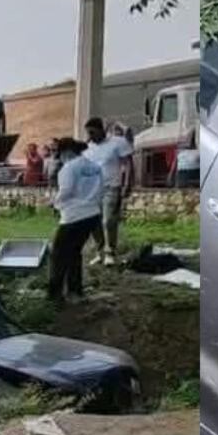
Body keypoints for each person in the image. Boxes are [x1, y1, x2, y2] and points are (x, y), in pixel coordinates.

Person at [48, 138, 104, 303]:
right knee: (74, 253)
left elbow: (66, 191)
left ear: (67, 152)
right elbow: (101, 189)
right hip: (92, 215)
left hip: (73, 217)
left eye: (59, 154)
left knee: (58, 254)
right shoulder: (95, 167)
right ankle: (75, 291)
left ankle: (55, 295)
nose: (59, 158)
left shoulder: (69, 168)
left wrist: (53, 202)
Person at [83, 117, 134, 266]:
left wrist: (127, 184)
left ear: (101, 130)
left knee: (108, 220)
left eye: (92, 132)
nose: (90, 136)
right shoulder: (87, 148)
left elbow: (128, 164)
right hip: (92, 190)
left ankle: (110, 252)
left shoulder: (117, 142)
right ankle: (100, 252)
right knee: (93, 222)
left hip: (111, 187)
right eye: (88, 133)